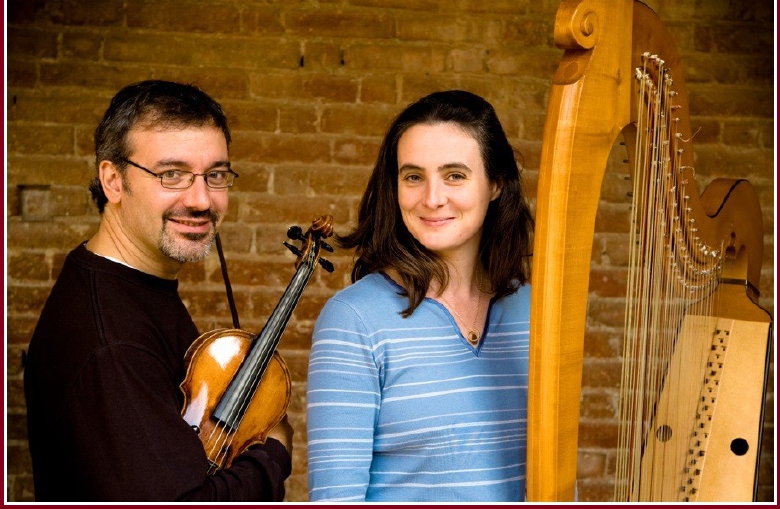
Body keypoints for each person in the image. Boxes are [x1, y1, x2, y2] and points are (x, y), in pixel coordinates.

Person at [23, 80, 293, 501]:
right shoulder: (113, 344)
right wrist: (273, 450)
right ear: (113, 180)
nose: (202, 199)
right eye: (172, 174)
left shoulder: (134, 287)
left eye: (216, 175)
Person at [306, 90, 534, 502]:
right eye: (413, 176)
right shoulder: (354, 318)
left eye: (455, 175)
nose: (432, 198)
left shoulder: (535, 310)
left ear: (496, 183)